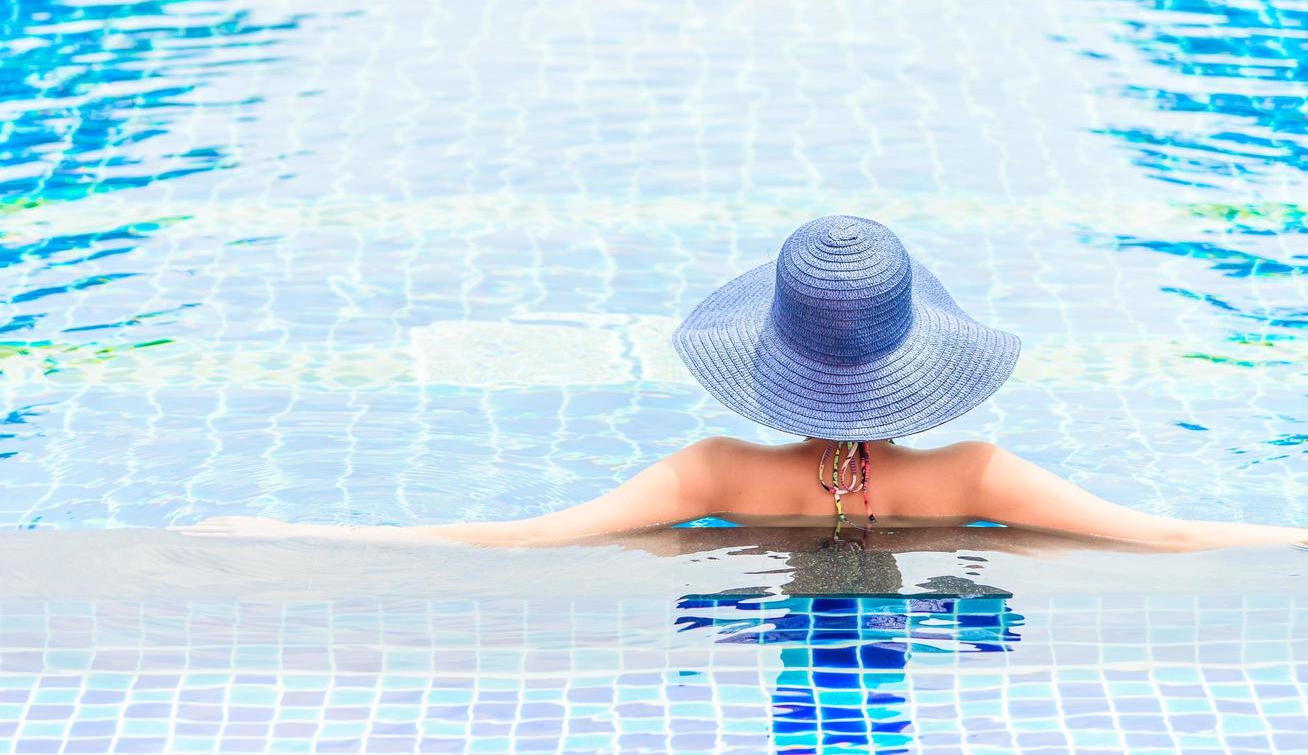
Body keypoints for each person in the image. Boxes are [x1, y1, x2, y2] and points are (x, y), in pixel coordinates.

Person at [178, 215, 1308, 551]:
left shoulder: (712, 470)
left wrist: (281, 531)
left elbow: (512, 538)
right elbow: (1164, 534)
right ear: (916, 359)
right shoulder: (972, 474)